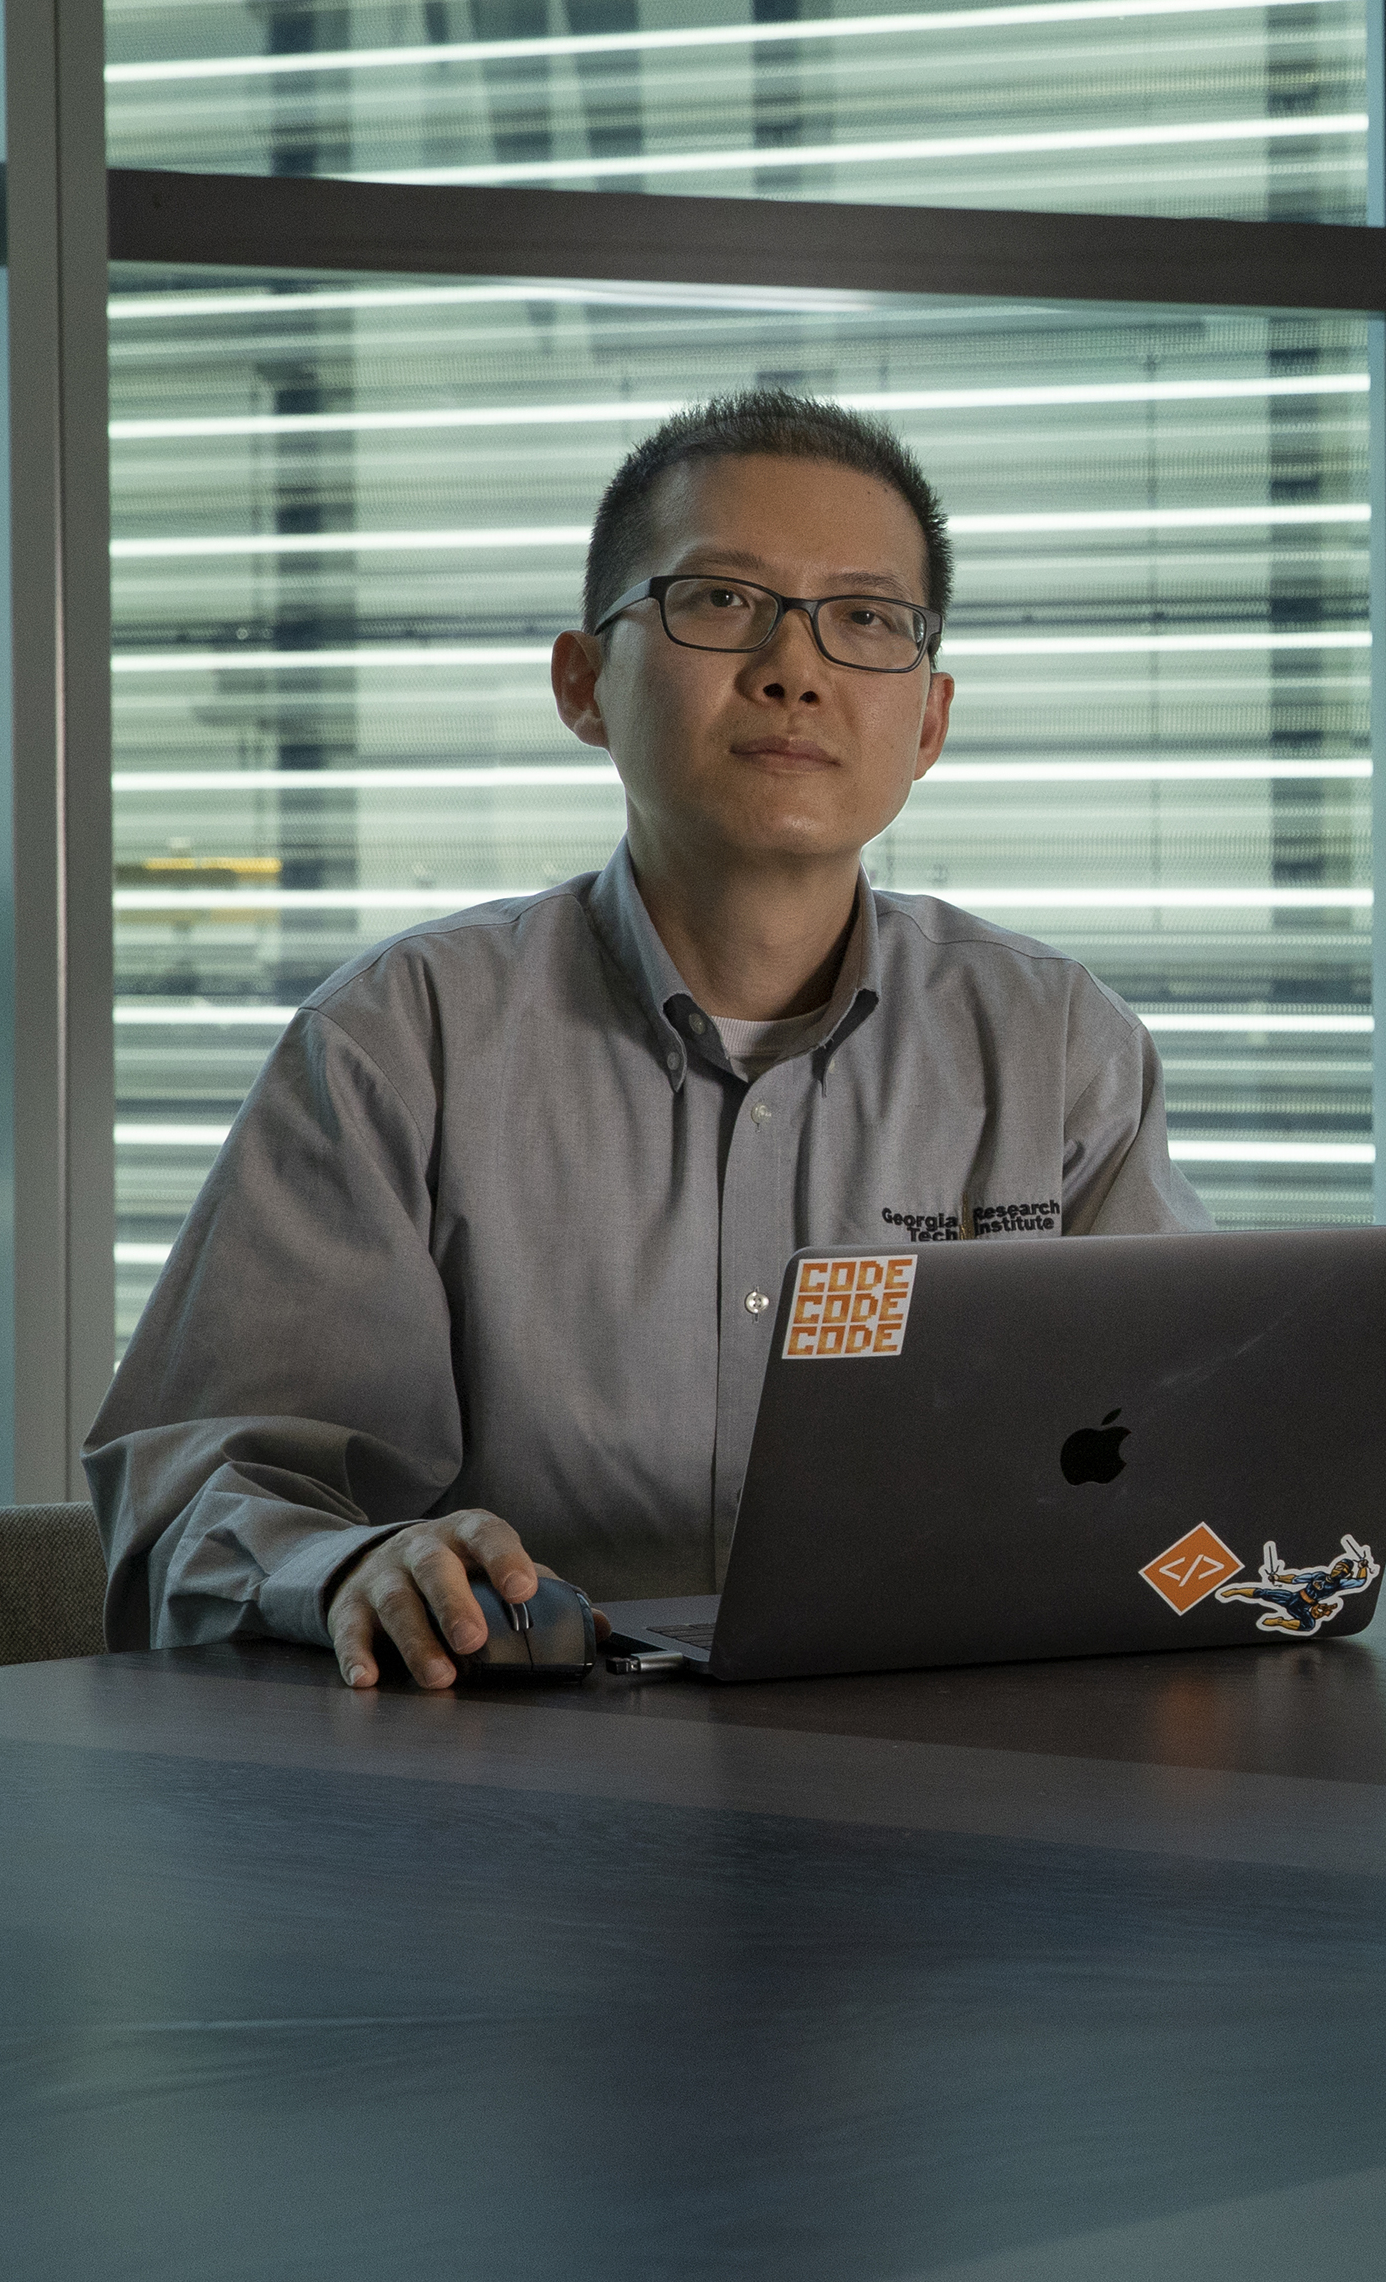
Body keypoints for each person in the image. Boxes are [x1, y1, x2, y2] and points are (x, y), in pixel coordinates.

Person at [87, 391, 1207, 1687]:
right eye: (722, 599)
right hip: (509, 1778)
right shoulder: (403, 1037)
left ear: (932, 722)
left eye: (865, 618)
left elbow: (1183, 1454)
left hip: (950, 1756)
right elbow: (195, 1502)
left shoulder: (1057, 1040)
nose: (796, 667)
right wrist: (346, 1562)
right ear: (584, 683)